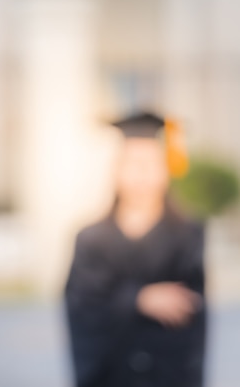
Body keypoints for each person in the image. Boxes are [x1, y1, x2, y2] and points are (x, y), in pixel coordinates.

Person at [64, 112, 206, 387]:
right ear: (115, 170)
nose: (141, 173)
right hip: (109, 375)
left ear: (166, 169)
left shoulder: (187, 235)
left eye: (150, 163)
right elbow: (82, 308)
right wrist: (139, 299)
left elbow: (192, 316)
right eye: (132, 163)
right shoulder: (91, 240)